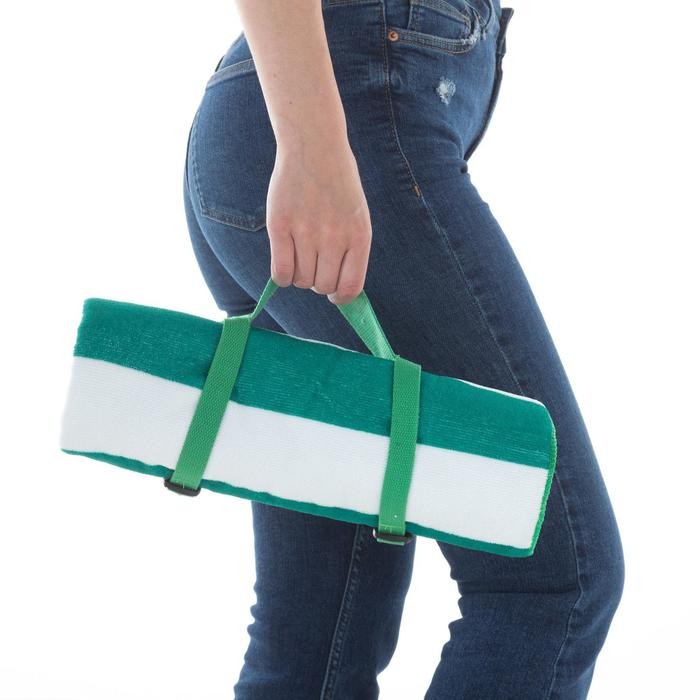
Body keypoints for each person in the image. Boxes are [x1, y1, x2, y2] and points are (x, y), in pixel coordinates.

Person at [182, 0, 625, 697]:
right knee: (551, 574)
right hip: (342, 119)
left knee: (318, 631)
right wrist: (312, 149)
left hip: (298, 117)